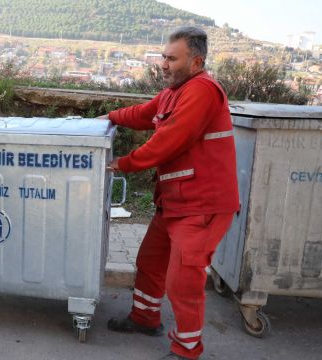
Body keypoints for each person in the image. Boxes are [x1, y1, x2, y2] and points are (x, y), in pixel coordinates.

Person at [100, 27, 239, 360]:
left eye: (171, 58)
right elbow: (143, 114)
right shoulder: (174, 92)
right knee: (150, 260)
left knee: (183, 279)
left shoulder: (203, 91)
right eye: (163, 56)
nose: (163, 64)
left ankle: (187, 349)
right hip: (176, 201)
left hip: (202, 205)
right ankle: (145, 318)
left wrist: (125, 163)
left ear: (196, 62)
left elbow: (169, 140)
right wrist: (105, 119)